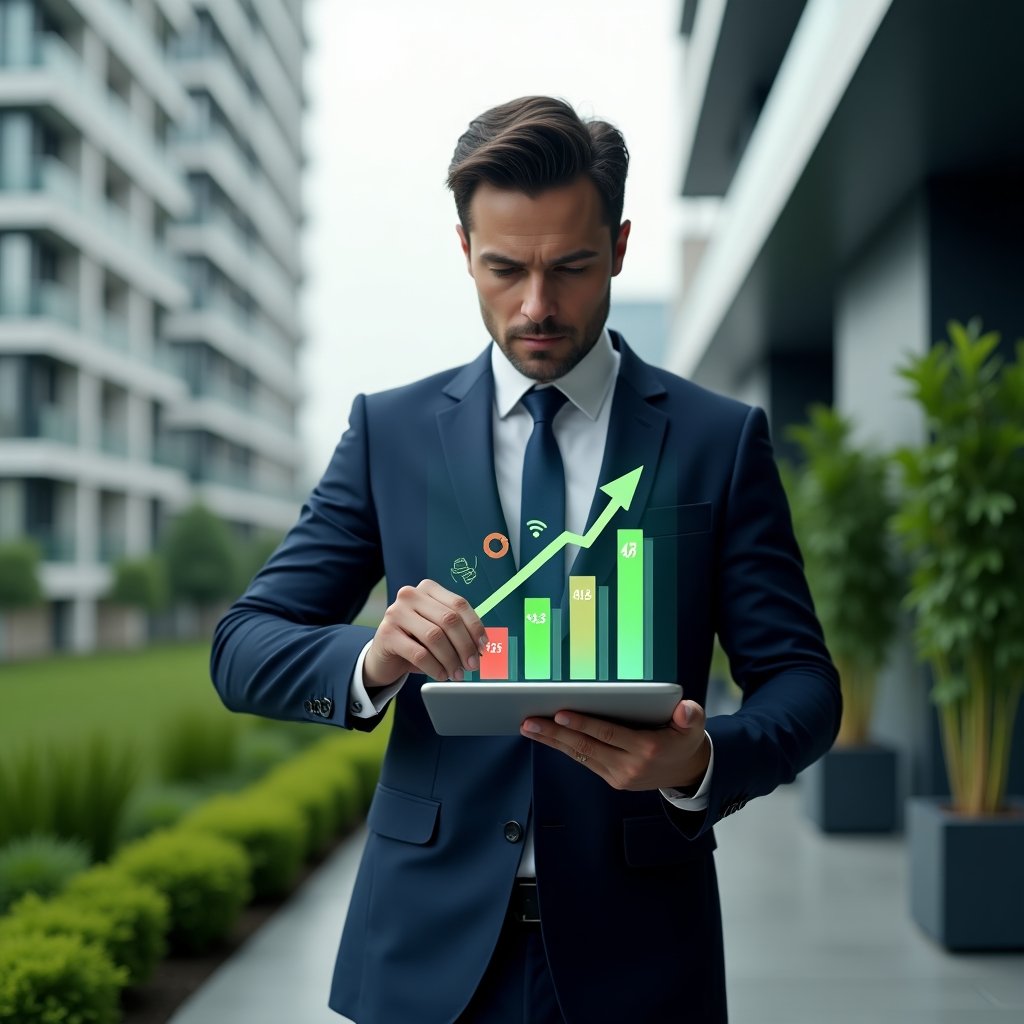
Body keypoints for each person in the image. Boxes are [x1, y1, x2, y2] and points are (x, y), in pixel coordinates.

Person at [211, 95, 841, 1024]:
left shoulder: (719, 439)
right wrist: (371, 660)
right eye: (505, 269)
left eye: (572, 268)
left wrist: (699, 758)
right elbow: (241, 646)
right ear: (464, 249)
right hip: (423, 956)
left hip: (641, 960)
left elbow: (803, 687)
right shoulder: (390, 434)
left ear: (620, 247)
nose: (536, 306)